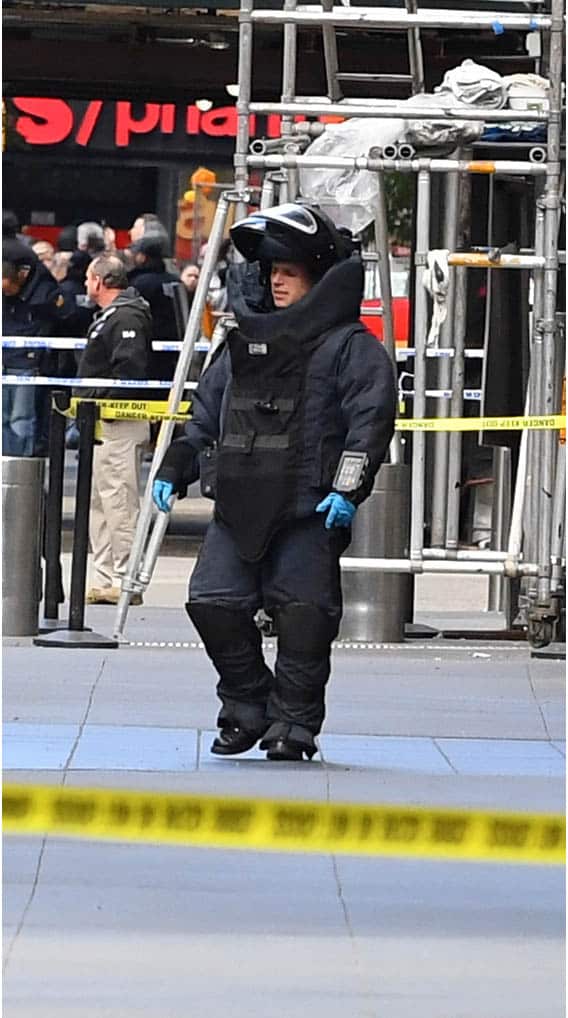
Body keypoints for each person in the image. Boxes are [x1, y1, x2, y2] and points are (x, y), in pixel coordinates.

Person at [152, 202, 397, 761]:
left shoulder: (351, 348)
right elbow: (204, 419)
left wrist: (347, 489)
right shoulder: (240, 348)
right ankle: (247, 704)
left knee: (305, 613)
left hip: (309, 509)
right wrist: (175, 466)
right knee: (212, 601)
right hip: (238, 506)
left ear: (318, 276)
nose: (276, 281)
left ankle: (295, 723)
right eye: (271, 272)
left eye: (289, 271)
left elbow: (371, 421)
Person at [77, 255, 152, 606]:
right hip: (102, 420)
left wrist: (98, 397)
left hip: (119, 420)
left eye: (88, 278)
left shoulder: (127, 317)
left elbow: (129, 371)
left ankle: (126, 579)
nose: (84, 284)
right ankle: (105, 576)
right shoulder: (114, 315)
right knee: (100, 502)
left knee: (120, 500)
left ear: (101, 281)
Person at [2, 239, 71, 456]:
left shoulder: (44, 294)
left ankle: (21, 473)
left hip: (28, 363)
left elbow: (66, 317)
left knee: (21, 420)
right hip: (7, 359)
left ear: (21, 275)